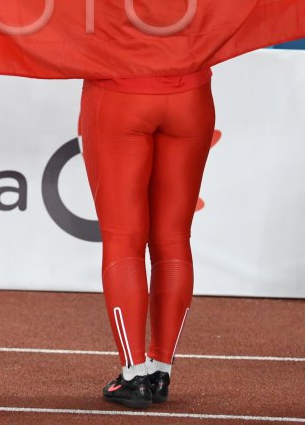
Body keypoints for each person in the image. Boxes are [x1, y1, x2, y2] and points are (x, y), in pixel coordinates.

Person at [80, 67, 215, 409]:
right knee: (174, 239)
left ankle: (133, 375)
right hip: (190, 95)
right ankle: (160, 372)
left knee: (122, 239)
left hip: (120, 90)